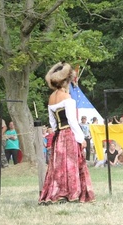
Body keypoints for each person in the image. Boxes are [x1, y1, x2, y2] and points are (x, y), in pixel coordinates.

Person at [39, 62, 95, 205]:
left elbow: (52, 122)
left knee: (58, 165)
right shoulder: (67, 99)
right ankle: (72, 193)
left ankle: (58, 193)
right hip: (69, 135)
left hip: (58, 136)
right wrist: (81, 138)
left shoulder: (51, 98)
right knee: (71, 164)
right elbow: (72, 121)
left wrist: (57, 134)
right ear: (65, 82)